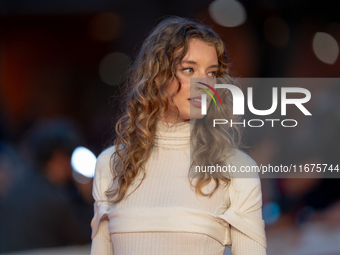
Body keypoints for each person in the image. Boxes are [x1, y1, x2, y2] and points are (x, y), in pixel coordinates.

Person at [90, 16, 267, 255]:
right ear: (158, 76)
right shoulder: (111, 165)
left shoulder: (235, 170)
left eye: (211, 73)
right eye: (189, 69)